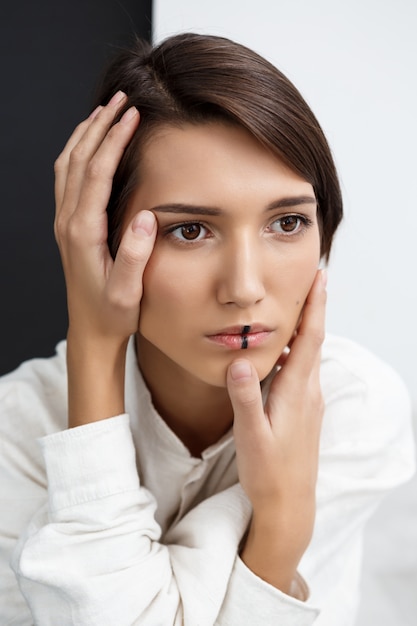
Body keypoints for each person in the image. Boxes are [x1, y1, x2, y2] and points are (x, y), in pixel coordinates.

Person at [0, 33, 414, 625]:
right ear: (101, 238)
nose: (245, 287)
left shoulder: (353, 407)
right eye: (190, 231)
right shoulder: (18, 432)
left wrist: (279, 518)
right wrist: (93, 343)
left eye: (288, 221)